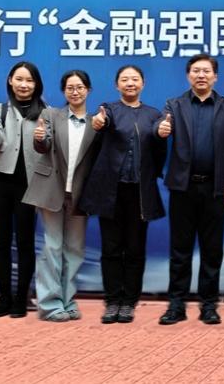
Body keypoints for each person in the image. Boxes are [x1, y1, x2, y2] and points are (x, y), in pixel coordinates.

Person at [158, 54, 224, 326]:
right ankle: (176, 305)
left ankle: (209, 305)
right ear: (188, 76)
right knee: (180, 250)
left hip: (215, 189)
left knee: (212, 250)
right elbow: (159, 129)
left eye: (206, 71)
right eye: (196, 71)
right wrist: (160, 130)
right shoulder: (174, 105)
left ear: (215, 77)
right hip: (183, 188)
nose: (201, 75)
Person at [79, 65, 167, 324]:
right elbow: (101, 122)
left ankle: (129, 302)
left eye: (135, 79)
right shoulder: (108, 109)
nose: (130, 83)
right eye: (125, 79)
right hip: (111, 191)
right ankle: (112, 301)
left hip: (139, 193)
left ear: (143, 84)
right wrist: (98, 123)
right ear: (117, 85)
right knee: (111, 249)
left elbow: (159, 146)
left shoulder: (154, 114)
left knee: (135, 249)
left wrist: (162, 133)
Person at [23, 70, 101, 322]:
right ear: (64, 91)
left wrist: (102, 129)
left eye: (79, 87)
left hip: (81, 194)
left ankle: (67, 300)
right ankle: (49, 304)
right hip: (52, 189)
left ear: (88, 90)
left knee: (75, 250)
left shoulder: (96, 122)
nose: (75, 92)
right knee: (53, 246)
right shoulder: (51, 115)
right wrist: (39, 138)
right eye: (70, 88)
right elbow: (43, 143)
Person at [0, 61, 47, 318]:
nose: (24, 85)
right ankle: (4, 297)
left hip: (29, 185)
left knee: (25, 242)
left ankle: (21, 298)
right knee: (1, 241)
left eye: (29, 80)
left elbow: (50, 148)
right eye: (19, 79)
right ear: (10, 80)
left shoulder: (46, 112)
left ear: (36, 84)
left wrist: (43, 139)